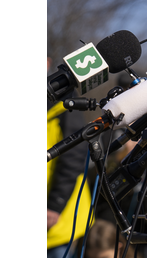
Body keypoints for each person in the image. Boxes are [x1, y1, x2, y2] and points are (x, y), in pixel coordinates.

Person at [47, 57, 94, 258]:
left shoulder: (65, 101)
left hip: (57, 219)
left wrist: (55, 205)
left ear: (47, 62)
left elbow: (73, 155)